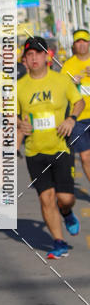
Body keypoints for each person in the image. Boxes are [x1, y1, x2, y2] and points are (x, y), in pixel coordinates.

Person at [17, 36, 85, 260]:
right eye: (29, 54)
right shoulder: (18, 87)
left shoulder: (61, 80)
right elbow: (10, 114)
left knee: (65, 198)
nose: (34, 58)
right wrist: (19, 124)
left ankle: (67, 212)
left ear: (47, 56)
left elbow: (79, 101)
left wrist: (72, 119)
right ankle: (59, 242)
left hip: (60, 147)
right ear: (25, 59)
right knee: (46, 198)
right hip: (34, 151)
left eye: (38, 53)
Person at [61, 28, 90, 186]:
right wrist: (71, 84)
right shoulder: (68, 66)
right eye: (78, 42)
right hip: (79, 118)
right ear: (74, 45)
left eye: (84, 41)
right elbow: (60, 92)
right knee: (85, 157)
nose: (82, 45)